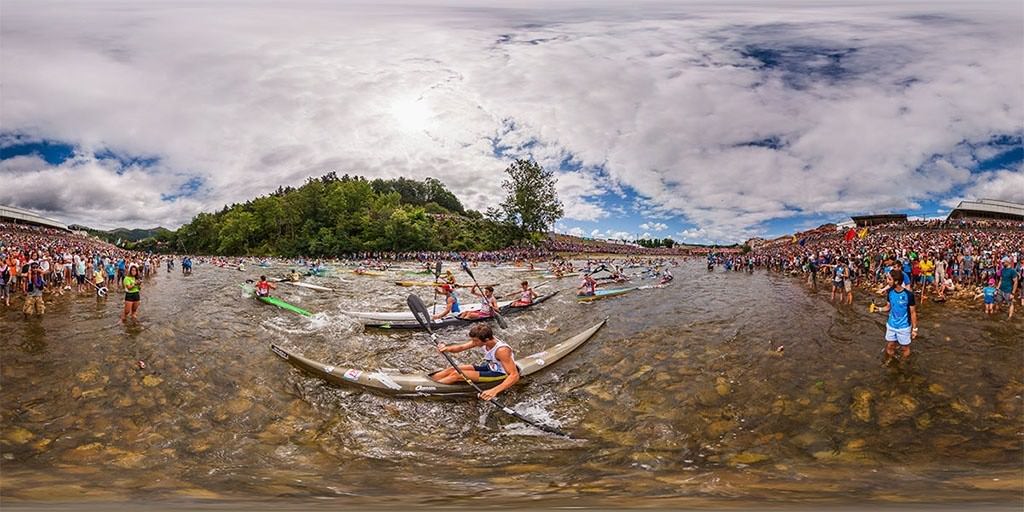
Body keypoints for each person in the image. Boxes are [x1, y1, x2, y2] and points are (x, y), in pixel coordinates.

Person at [430, 323, 519, 401]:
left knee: (457, 375)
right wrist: (447, 348)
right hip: (489, 367)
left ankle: (430, 388)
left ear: (487, 339)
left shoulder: (502, 351)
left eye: (475, 341)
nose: (473, 343)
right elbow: (461, 347)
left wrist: (494, 391)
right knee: (452, 369)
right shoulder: (483, 340)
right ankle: (429, 382)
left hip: (499, 373)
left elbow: (514, 375)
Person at [874, 268, 917, 365]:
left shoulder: (909, 295)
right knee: (890, 345)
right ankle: (890, 359)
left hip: (904, 326)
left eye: (889, 279)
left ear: (896, 281)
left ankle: (903, 363)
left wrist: (914, 329)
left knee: (905, 348)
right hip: (891, 324)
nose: (887, 281)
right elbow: (888, 307)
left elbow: (913, 312)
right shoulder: (890, 292)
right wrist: (879, 309)